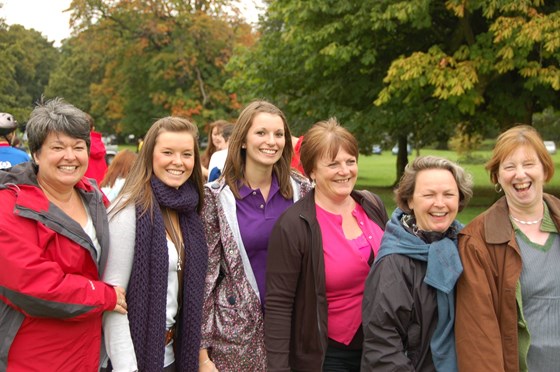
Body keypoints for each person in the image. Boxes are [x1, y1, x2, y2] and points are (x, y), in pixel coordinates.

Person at [0, 97, 126, 371]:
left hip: (89, 351)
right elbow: (32, 284)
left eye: (78, 147)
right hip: (36, 356)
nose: (70, 157)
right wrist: (104, 296)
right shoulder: (11, 206)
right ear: (36, 154)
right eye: (58, 147)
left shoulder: (93, 196)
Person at [266, 118, 389, 371]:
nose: (344, 171)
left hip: (382, 347)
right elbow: (279, 305)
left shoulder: (372, 205)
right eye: (333, 164)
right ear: (311, 170)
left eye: (350, 162)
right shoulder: (293, 225)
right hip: (330, 355)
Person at [200, 100, 312, 371]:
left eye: (278, 134)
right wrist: (202, 356)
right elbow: (206, 275)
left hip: (292, 332)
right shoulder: (216, 197)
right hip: (235, 337)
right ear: (242, 140)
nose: (271, 141)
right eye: (261, 133)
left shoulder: (303, 192)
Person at [102, 117, 208, 371]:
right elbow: (113, 301)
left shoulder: (189, 211)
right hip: (134, 360)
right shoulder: (128, 211)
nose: (178, 162)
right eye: (168, 153)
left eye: (186, 154)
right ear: (150, 155)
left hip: (173, 356)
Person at [455, 125, 560, 372]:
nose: (520, 175)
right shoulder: (477, 241)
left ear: (545, 169)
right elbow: (478, 336)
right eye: (509, 167)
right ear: (497, 177)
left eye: (529, 164)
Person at [361, 155, 473, 372]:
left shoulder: (468, 247)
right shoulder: (394, 262)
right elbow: (382, 347)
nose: (440, 204)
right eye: (429, 194)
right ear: (410, 200)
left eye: (448, 194)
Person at [84, 113, 108, 185]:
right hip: (101, 187)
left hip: (84, 188)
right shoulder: (99, 145)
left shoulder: (78, 145)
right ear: (93, 129)